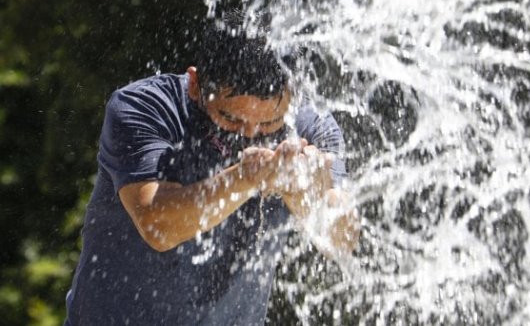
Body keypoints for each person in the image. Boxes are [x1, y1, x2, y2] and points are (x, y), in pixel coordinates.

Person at [64, 20, 359, 326]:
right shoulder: (145, 107)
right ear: (195, 84)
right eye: (230, 118)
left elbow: (342, 241)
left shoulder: (312, 128)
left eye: (270, 123)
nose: (249, 134)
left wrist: (306, 194)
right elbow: (158, 226)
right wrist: (247, 178)